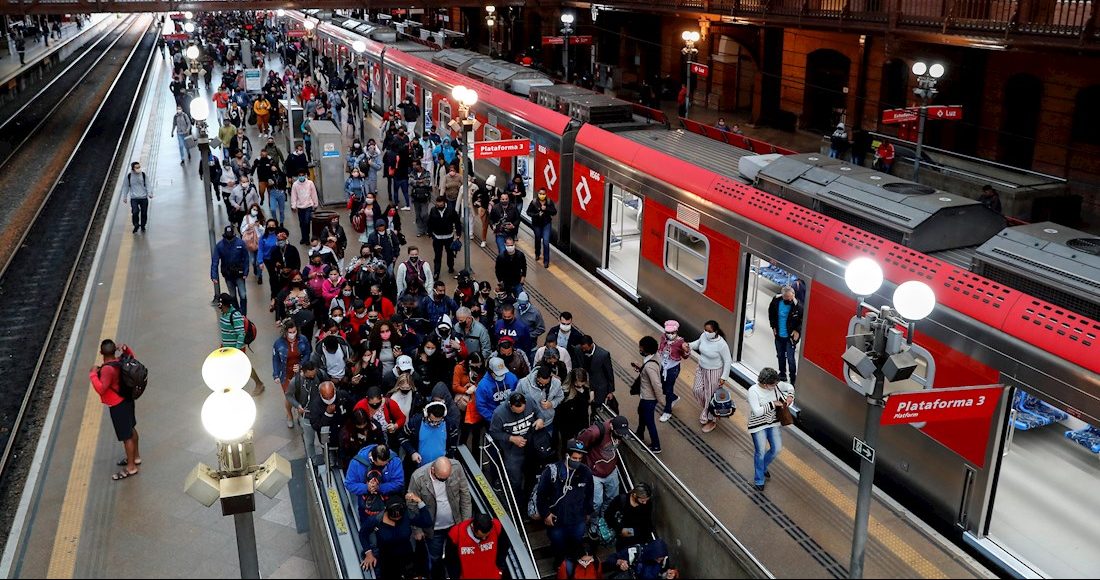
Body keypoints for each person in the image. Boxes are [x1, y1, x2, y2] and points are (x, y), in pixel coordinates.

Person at [408, 457, 473, 580]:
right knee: (435, 558)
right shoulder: (418, 477)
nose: (445, 481)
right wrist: (417, 529)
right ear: (433, 470)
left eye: (447, 478)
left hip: (456, 524)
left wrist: (465, 524)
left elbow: (465, 494)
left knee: (455, 554)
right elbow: (412, 505)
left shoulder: (456, 466)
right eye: (442, 479)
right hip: (433, 529)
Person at [536, 438, 594, 569]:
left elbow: (589, 494)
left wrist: (587, 512)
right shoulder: (551, 472)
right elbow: (541, 495)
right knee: (558, 545)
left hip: (577, 520)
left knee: (576, 543)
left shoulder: (585, 472)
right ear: (567, 455)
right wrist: (546, 514)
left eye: (580, 458)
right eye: (575, 458)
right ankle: (559, 564)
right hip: (557, 521)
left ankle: (573, 564)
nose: (577, 461)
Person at [89, 339, 141, 481]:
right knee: (131, 428)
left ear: (101, 352)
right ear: (114, 351)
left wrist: (93, 374)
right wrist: (125, 348)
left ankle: (131, 467)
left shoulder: (107, 369)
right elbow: (132, 358)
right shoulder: (120, 361)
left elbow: (101, 388)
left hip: (118, 405)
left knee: (126, 437)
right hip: (127, 399)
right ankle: (135, 457)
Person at [359, 495, 432, 579]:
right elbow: (362, 534)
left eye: (399, 517)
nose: (397, 519)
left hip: (407, 557)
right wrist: (368, 553)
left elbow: (427, 522)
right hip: (387, 561)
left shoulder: (407, 515)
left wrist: (419, 502)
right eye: (394, 517)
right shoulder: (377, 520)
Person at [489, 390, 543, 502]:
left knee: (532, 474)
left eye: (522, 411)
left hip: (531, 445)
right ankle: (516, 501)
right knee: (515, 479)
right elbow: (494, 433)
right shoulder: (499, 413)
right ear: (510, 405)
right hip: (512, 451)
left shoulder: (529, 400)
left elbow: (539, 412)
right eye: (516, 412)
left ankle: (530, 497)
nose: (519, 414)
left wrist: (540, 419)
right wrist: (511, 438)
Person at [577, 415, 629, 529]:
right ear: (611, 426)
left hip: (611, 470)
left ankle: (604, 518)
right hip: (594, 473)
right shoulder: (595, 432)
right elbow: (579, 445)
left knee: (612, 498)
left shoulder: (618, 431)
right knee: (596, 503)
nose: (621, 435)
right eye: (618, 432)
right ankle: (594, 522)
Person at [748, 367, 795, 491]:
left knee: (777, 449)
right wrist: (772, 404)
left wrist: (790, 396)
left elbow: (789, 386)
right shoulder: (753, 391)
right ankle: (759, 480)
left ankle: (762, 466)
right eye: (773, 384)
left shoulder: (777, 384)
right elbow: (757, 412)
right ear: (765, 383)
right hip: (758, 425)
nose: (775, 386)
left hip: (773, 423)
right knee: (760, 452)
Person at [216, 293, 265, 396]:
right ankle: (230, 385)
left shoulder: (235, 316)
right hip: (226, 346)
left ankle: (259, 384)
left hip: (236, 348)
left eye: (220, 304)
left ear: (224, 305)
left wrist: (237, 350)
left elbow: (241, 334)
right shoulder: (224, 313)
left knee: (245, 367)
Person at [688, 320, 732, 433]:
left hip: (714, 372)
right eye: (705, 330)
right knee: (697, 390)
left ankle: (711, 420)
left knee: (710, 396)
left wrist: (724, 377)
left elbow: (728, 361)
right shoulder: (703, 336)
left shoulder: (721, 344)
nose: (706, 332)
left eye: (709, 331)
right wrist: (688, 346)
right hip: (701, 368)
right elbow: (697, 343)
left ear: (715, 331)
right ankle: (709, 410)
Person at [273, 319, 312, 428]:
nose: (292, 334)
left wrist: (301, 364)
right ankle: (289, 415)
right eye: (290, 332)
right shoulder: (278, 343)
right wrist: (276, 374)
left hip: (299, 373)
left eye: (294, 332)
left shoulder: (303, 340)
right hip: (285, 373)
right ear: (285, 332)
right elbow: (275, 359)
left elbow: (307, 353)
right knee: (288, 396)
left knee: (300, 395)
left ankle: (300, 414)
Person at [447, 513, 510, 580]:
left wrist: (500, 569)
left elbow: (504, 547)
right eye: (480, 537)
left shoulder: (497, 527)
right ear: (473, 528)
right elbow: (450, 562)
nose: (484, 539)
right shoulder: (456, 535)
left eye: (487, 536)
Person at [631, 336, 664, 453]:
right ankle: (639, 434)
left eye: (641, 347)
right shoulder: (655, 357)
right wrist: (641, 369)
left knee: (649, 421)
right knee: (641, 412)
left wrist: (661, 400)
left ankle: (656, 446)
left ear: (645, 350)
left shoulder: (650, 366)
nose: (639, 349)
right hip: (646, 396)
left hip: (648, 398)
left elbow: (656, 383)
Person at [212, 226, 251, 314]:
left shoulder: (240, 243)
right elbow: (215, 261)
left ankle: (243, 314)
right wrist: (214, 276)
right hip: (228, 275)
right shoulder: (220, 246)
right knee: (232, 295)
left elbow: (246, 258)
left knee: (243, 294)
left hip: (239, 274)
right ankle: (237, 312)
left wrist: (245, 272)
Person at [768, 285, 803, 384]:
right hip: (779, 335)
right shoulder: (776, 300)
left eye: (789, 297)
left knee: (791, 358)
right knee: (780, 355)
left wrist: (797, 331)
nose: (787, 299)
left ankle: (793, 378)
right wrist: (773, 326)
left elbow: (802, 321)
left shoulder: (798, 306)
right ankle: (782, 374)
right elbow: (771, 313)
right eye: (785, 297)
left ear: (793, 295)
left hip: (790, 337)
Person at [573, 335, 615, 416]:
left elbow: (609, 373)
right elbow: (575, 366)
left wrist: (610, 391)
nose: (584, 350)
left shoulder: (603, 355)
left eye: (585, 348)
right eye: (582, 348)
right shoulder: (577, 349)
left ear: (591, 345)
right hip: (583, 385)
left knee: (596, 409)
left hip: (599, 386)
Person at [605, 483, 655, 550]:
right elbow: (608, 515)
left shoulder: (647, 504)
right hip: (622, 540)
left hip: (638, 538)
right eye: (643, 500)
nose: (645, 503)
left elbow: (647, 522)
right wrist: (620, 529)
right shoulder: (620, 500)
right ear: (635, 495)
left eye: (646, 500)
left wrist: (630, 532)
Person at [657, 320, 690, 422]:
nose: (670, 335)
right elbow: (660, 349)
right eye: (668, 332)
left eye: (672, 333)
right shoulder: (663, 337)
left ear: (676, 331)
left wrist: (686, 350)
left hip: (673, 368)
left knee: (668, 389)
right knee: (662, 387)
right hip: (663, 366)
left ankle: (667, 411)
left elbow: (686, 356)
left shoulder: (681, 342)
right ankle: (674, 398)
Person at [604, 538, 678, 580]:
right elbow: (610, 559)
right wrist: (619, 562)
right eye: (657, 558)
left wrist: (667, 575)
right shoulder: (634, 552)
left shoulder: (663, 560)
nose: (659, 561)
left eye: (661, 559)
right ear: (651, 554)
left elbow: (662, 573)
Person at [427, 195, 461, 276]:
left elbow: (457, 222)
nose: (439, 206)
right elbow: (430, 222)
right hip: (437, 237)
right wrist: (430, 232)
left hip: (448, 237)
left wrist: (458, 233)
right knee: (437, 255)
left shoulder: (451, 210)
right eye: (437, 204)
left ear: (444, 203)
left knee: (450, 254)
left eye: (441, 204)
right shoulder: (433, 210)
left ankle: (451, 267)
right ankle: (436, 272)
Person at [526, 188, 557, 268]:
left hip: (546, 224)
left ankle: (546, 261)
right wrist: (536, 215)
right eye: (540, 193)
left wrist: (546, 209)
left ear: (546, 194)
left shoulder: (549, 202)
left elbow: (554, 212)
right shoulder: (534, 202)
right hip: (536, 224)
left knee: (546, 242)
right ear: (538, 193)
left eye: (543, 194)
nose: (542, 195)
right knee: (538, 238)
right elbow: (528, 212)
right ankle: (537, 253)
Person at [121, 161, 153, 234]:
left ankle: (143, 225)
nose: (138, 169)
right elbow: (126, 186)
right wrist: (125, 197)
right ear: (133, 169)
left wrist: (150, 193)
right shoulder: (129, 176)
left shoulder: (143, 175)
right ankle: (136, 225)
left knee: (144, 213)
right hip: (134, 198)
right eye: (137, 167)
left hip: (143, 197)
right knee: (135, 212)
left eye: (139, 167)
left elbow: (148, 184)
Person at [290, 171, 319, 245]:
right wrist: (293, 206)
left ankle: (307, 238)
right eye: (300, 175)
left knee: (307, 222)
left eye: (303, 175)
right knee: (302, 223)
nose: (301, 176)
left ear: (305, 176)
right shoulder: (295, 185)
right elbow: (294, 196)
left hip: (308, 206)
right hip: (300, 207)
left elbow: (314, 194)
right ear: (298, 176)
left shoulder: (310, 183)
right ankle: (304, 237)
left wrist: (315, 204)